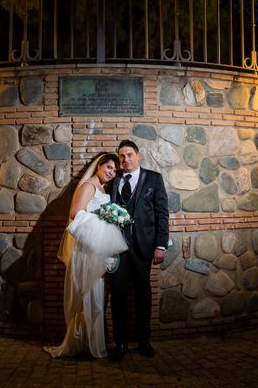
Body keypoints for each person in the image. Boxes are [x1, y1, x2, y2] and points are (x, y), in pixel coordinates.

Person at [44, 153, 128, 359]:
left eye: (114, 171)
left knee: (97, 298)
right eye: (108, 167)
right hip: (85, 250)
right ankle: (83, 343)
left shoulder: (103, 188)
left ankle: (91, 343)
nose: (111, 173)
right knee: (87, 297)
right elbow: (76, 214)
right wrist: (103, 220)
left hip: (96, 250)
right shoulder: (88, 186)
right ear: (98, 166)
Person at [108, 139, 169, 361]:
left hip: (144, 248)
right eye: (121, 156)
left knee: (143, 295)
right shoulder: (113, 180)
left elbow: (162, 213)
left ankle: (144, 342)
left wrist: (160, 245)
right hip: (117, 248)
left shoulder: (154, 178)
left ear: (138, 155)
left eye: (129, 155)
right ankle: (120, 343)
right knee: (118, 295)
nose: (125, 160)